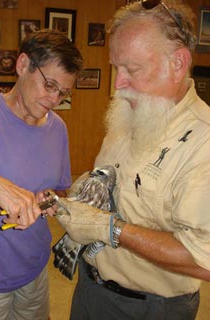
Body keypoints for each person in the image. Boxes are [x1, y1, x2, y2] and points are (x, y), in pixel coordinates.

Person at [55, 1, 210, 319]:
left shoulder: (204, 142)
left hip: (149, 307)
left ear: (177, 63)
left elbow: (203, 259)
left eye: (132, 69)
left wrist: (108, 228)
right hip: (90, 285)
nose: (118, 84)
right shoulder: (133, 111)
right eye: (116, 67)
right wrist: (90, 186)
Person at [0, 29, 82, 320]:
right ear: (22, 66)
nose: (55, 98)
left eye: (64, 92)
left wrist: (48, 200)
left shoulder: (58, 128)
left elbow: (58, 190)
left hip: (34, 270)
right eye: (50, 85)